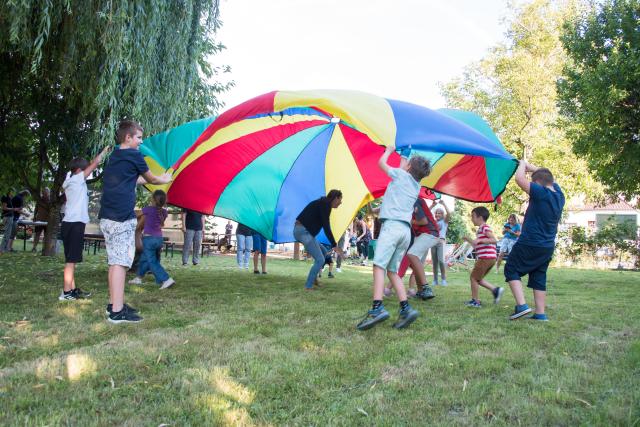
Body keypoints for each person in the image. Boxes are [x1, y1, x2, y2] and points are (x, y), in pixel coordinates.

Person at [99, 120, 172, 324]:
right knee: (121, 264)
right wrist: (163, 178)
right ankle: (117, 312)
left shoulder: (117, 156)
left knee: (114, 262)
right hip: (121, 218)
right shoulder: (134, 155)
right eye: (139, 137)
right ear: (128, 137)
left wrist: (152, 178)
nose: (141, 141)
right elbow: (151, 179)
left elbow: (132, 178)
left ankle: (114, 304)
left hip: (107, 217)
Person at [356, 146, 431, 330]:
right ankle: (405, 308)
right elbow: (404, 168)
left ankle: (377, 307)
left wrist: (389, 150)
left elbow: (381, 164)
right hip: (405, 232)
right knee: (392, 271)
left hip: (391, 227)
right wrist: (405, 154)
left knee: (379, 266)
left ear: (408, 168)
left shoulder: (400, 175)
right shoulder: (415, 185)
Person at [504, 161, 564, 321]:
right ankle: (540, 313)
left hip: (530, 242)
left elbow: (519, 180)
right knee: (538, 276)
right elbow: (549, 177)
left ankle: (522, 306)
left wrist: (522, 165)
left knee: (511, 269)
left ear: (537, 183)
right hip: (547, 246)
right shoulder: (559, 195)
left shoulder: (541, 192)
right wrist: (534, 168)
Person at [59, 148, 109, 301]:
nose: (87, 172)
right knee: (71, 260)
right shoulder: (76, 179)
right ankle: (66, 293)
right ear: (79, 170)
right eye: (84, 170)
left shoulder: (70, 179)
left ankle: (72, 289)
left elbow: (88, 166)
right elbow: (95, 163)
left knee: (71, 259)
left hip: (70, 223)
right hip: (74, 224)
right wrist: (105, 151)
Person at [293, 190, 345, 290]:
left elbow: (325, 225)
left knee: (325, 253)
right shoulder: (325, 205)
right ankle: (308, 286)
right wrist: (334, 245)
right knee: (320, 259)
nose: (340, 202)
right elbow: (326, 226)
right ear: (335, 198)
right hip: (303, 232)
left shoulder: (324, 204)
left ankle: (314, 278)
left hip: (303, 231)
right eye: (340, 200)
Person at [129, 190, 174, 289]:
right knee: (144, 258)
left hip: (149, 239)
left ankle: (166, 279)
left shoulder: (148, 209)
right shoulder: (165, 212)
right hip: (159, 239)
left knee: (152, 261)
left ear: (153, 199)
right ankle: (139, 278)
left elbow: (136, 215)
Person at [463, 207, 504, 308]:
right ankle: (496, 290)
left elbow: (494, 240)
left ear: (480, 217)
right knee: (478, 279)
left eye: (473, 216)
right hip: (489, 258)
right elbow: (476, 245)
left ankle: (475, 301)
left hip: (485, 258)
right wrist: (469, 240)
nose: (471, 219)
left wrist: (480, 241)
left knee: (473, 278)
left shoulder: (484, 227)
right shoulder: (480, 230)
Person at [405, 196, 440, 300]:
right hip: (422, 235)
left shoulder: (414, 200)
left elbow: (424, 221)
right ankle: (421, 291)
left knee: (412, 254)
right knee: (415, 261)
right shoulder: (410, 202)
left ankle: (426, 288)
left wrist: (410, 221)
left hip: (429, 233)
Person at [431, 200, 451, 286]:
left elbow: (449, 213)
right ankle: (435, 280)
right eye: (436, 213)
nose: (437, 214)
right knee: (434, 262)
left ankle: (443, 279)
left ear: (442, 215)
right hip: (432, 242)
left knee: (441, 261)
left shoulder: (444, 222)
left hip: (441, 242)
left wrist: (444, 204)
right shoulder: (433, 221)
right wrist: (432, 205)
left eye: (439, 213)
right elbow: (426, 213)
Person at [32, 188, 51, 253]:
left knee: (46, 235)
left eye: (46, 193)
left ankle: (44, 248)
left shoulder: (51, 201)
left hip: (48, 221)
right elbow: (36, 209)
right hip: (39, 220)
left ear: (48, 193)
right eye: (43, 193)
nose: (45, 195)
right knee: (37, 234)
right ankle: (34, 248)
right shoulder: (39, 200)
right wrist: (34, 217)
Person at [1, 189, 15, 253]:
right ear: (9, 191)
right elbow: (4, 208)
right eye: (12, 191)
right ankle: (2, 248)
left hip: (10, 217)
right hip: (7, 217)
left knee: (8, 234)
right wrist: (13, 209)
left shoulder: (9, 198)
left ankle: (5, 248)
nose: (13, 193)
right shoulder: (5, 197)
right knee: (6, 233)